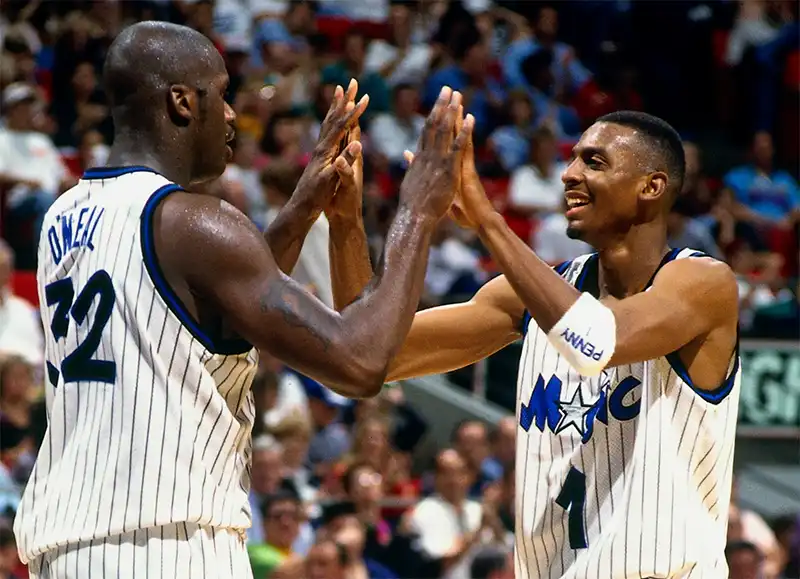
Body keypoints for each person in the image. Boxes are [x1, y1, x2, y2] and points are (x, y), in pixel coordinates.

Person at [13, 21, 473, 578]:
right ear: (182, 102)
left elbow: (201, 306)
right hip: (169, 548)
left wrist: (301, 210)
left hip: (66, 552)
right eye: (221, 94)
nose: (231, 114)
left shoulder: (63, 214)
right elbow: (359, 363)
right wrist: (417, 209)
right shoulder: (196, 222)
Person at [327, 110, 741, 577]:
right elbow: (364, 354)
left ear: (652, 187)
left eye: (595, 162)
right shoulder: (528, 297)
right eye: (572, 160)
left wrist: (487, 218)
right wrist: (346, 221)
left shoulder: (704, 284)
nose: (569, 174)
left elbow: (597, 340)